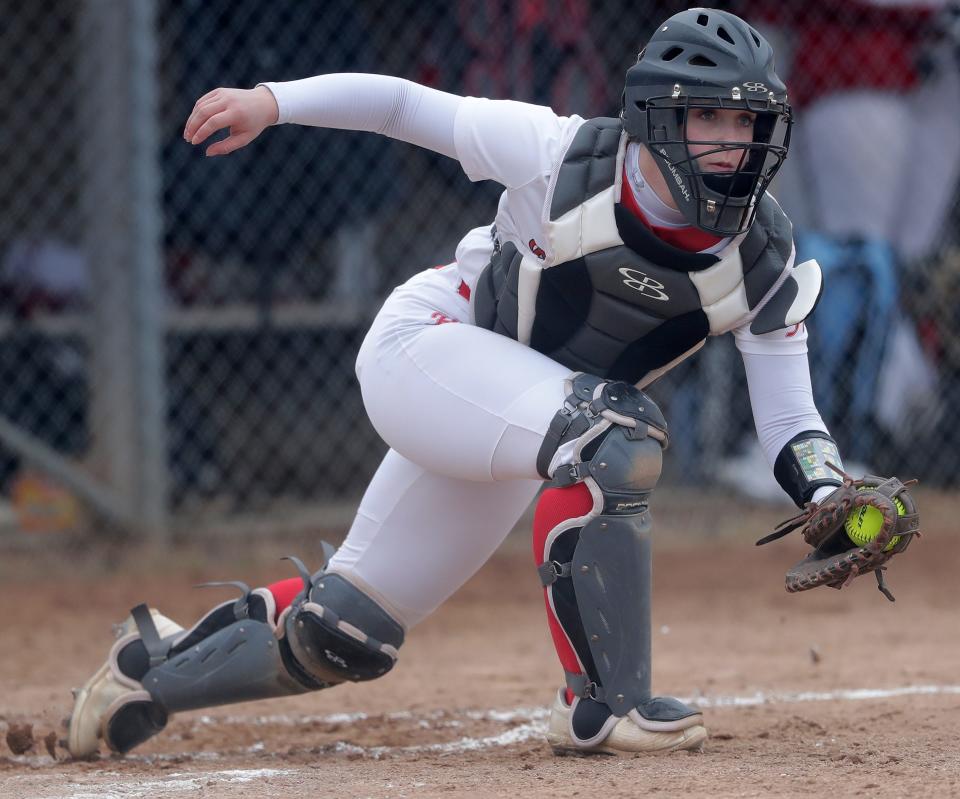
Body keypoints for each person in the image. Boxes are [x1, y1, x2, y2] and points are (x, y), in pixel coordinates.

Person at [66, 8, 846, 758]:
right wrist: (274, 102)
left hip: (532, 420)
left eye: (747, 125)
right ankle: (607, 706)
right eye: (711, 120)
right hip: (434, 349)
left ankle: (150, 669)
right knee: (615, 435)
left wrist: (831, 497)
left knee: (347, 632)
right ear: (655, 118)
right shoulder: (562, 155)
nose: (733, 146)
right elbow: (402, 105)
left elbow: (790, 424)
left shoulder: (764, 258)